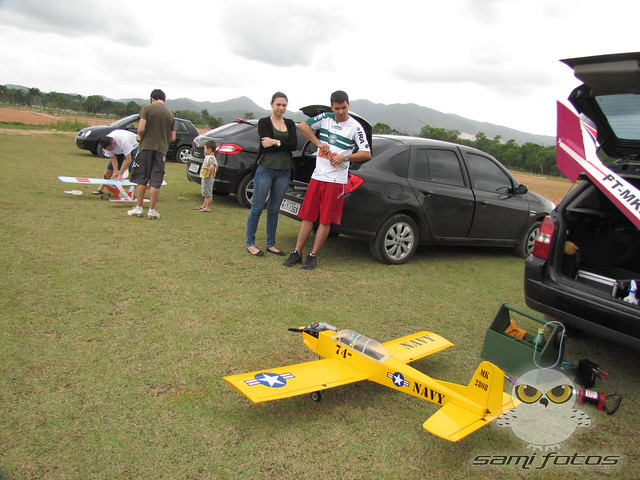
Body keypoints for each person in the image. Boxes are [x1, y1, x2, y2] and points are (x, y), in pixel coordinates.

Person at [283, 90, 371, 270]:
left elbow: (366, 153)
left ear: (348, 105)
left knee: (325, 220)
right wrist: (318, 143)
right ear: (332, 106)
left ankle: (312, 255)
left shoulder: (355, 126)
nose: (340, 112)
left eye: (344, 108)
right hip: (317, 176)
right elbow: (303, 126)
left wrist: (344, 158)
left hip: (336, 180)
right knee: (307, 216)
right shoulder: (326, 118)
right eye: (337, 108)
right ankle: (296, 253)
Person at [246, 92, 298, 257]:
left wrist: (275, 141)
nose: (281, 108)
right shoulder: (264, 122)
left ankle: (271, 244)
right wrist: (281, 143)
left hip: (284, 170)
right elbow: (265, 143)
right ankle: (250, 243)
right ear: (271, 104)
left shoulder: (289, 123)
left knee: (274, 209)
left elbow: (293, 145)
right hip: (266, 169)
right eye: (278, 105)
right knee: (257, 207)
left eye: (284, 105)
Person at [127, 89, 176, 219]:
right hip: (161, 151)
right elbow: (172, 138)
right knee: (155, 180)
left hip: (146, 148)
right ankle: (152, 210)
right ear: (164, 100)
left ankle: (138, 208)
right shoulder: (170, 115)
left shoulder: (147, 108)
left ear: (152, 98)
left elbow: (141, 129)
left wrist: (139, 136)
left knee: (142, 179)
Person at [92, 130, 139, 195]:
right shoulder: (106, 145)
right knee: (109, 168)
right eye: (108, 150)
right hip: (119, 150)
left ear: (113, 142)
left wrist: (120, 174)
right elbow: (113, 159)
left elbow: (128, 159)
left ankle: (131, 191)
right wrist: (115, 171)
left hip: (133, 146)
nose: (109, 150)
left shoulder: (124, 141)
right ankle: (101, 188)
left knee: (132, 168)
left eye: (110, 149)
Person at [197, 140, 218, 212]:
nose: (204, 150)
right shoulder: (210, 157)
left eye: (205, 149)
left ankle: (207, 207)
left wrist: (208, 175)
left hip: (208, 178)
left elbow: (211, 167)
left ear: (209, 149)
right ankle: (204, 205)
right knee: (206, 192)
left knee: (208, 193)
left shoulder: (209, 158)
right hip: (206, 177)